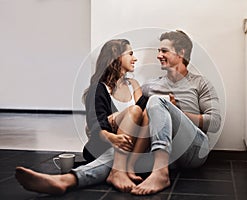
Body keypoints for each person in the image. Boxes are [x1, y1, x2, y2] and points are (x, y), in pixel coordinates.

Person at [15, 39, 150, 194]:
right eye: (130, 54)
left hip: (131, 148)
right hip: (107, 145)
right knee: (115, 151)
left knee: (136, 112)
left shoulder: (134, 85)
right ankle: (107, 172)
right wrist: (113, 136)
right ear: (117, 57)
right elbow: (96, 125)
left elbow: (145, 116)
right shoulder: (99, 89)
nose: (135, 58)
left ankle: (65, 180)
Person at [130, 30, 222, 195]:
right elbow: (136, 118)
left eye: (164, 51)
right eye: (159, 51)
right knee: (114, 155)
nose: (158, 55)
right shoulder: (150, 86)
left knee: (157, 100)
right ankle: (77, 177)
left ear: (181, 53)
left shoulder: (200, 83)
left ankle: (160, 173)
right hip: (167, 154)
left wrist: (174, 111)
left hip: (194, 150)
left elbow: (215, 122)